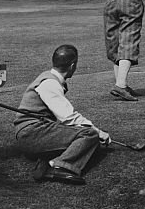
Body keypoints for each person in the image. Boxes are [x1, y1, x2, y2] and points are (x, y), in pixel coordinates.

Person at [13, 45, 111, 185]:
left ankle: (46, 160)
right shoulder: (50, 83)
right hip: (31, 134)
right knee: (89, 135)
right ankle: (60, 166)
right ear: (72, 65)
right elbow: (68, 117)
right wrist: (98, 132)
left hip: (32, 133)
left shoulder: (48, 77)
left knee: (88, 141)